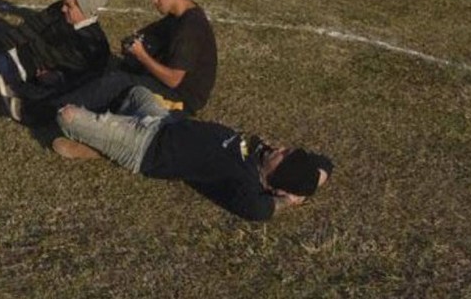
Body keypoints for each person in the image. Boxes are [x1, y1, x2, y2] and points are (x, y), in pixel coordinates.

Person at [52, 86, 333, 221]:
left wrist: (288, 200)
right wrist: (314, 179)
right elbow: (325, 164)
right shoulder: (261, 155)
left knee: (67, 116)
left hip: (144, 147)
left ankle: (100, 144)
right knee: (137, 92)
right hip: (164, 121)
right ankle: (104, 139)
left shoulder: (244, 181)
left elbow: (259, 211)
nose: (280, 148)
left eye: (284, 155)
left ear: (278, 176)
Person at [36, 0, 216, 120]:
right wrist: (134, 42)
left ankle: (46, 111)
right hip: (166, 86)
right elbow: (150, 32)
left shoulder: (190, 27)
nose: (153, 0)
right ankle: (57, 93)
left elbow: (174, 80)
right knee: (111, 71)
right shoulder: (176, 17)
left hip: (181, 100)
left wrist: (142, 56)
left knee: (118, 82)